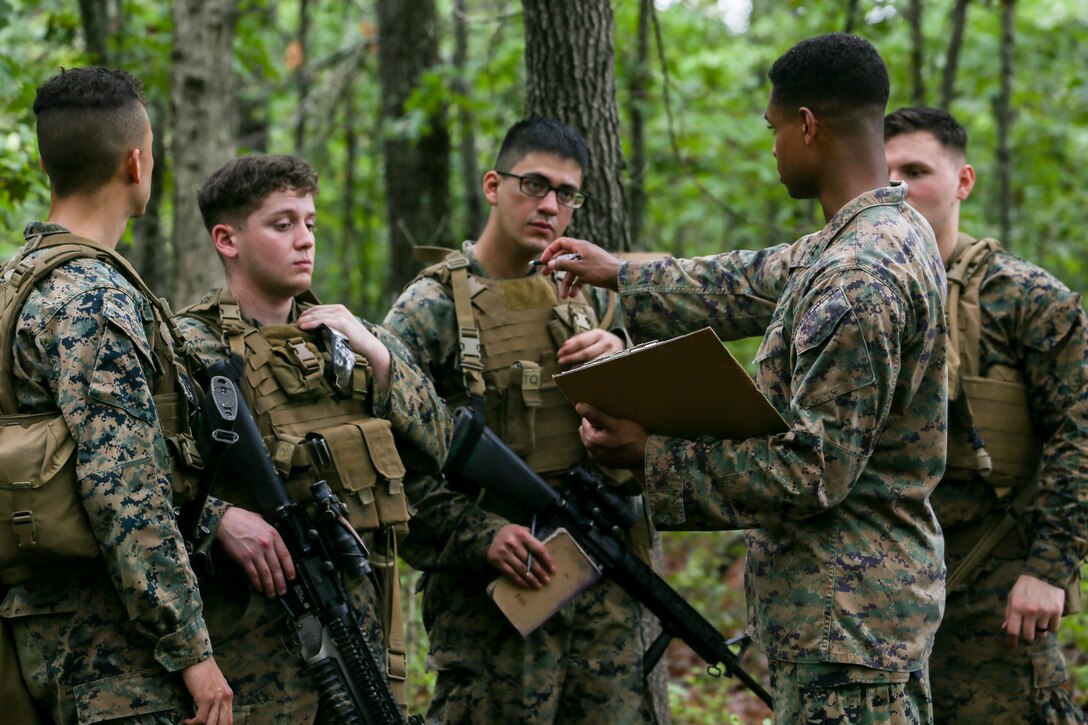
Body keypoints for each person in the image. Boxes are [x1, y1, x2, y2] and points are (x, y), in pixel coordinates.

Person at [539, 34, 948, 722]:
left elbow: (813, 471)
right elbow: (752, 278)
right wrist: (622, 273)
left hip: (849, 628)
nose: (773, 148)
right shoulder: (878, 235)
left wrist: (650, 458)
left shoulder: (859, 277)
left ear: (808, 125)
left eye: (775, 129)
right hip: (858, 618)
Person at [383, 118, 657, 724]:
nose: (551, 206)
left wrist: (619, 356)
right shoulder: (429, 310)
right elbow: (388, 469)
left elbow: (642, 438)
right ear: (493, 185)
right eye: (534, 185)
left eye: (567, 194)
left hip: (600, 592)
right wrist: (481, 535)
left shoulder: (590, 299)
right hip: (495, 609)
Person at [174, 153, 450, 722]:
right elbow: (135, 484)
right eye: (283, 224)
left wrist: (377, 355)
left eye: (310, 223)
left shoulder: (348, 340)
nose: (305, 240)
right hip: (255, 650)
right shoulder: (187, 348)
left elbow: (440, 443)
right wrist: (218, 518)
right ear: (227, 239)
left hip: (362, 637)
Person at [0, 68, 232, 723]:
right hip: (109, 652)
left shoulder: (11, 287)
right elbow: (124, 490)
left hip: (27, 630)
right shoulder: (96, 300)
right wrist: (190, 648)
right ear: (136, 161)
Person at [885, 106, 1088, 723]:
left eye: (916, 170)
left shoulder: (1026, 298)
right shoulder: (853, 293)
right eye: (884, 172)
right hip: (880, 595)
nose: (898, 187)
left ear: (963, 181)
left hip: (991, 593)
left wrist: (1049, 571)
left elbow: (1081, 434)